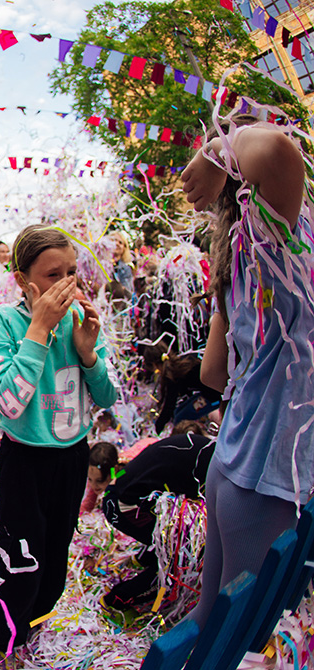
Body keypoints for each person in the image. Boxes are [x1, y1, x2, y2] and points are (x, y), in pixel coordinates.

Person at [180, 116, 314, 628]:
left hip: (231, 465)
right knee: (244, 637)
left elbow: (213, 374)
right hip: (268, 478)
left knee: (212, 621)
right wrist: (216, 151)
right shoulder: (281, 244)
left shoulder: (238, 265)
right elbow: (277, 151)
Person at [0, 224, 118, 658]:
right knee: (23, 562)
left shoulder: (79, 319)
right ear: (23, 280)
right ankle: (3, 643)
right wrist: (38, 330)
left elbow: (107, 397)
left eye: (71, 272)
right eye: (52, 275)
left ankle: (32, 634)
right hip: (25, 461)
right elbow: (9, 403)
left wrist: (89, 354)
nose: (66, 284)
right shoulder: (4, 323)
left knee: (56, 561)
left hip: (72, 457)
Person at [101, 421, 215, 609]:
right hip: (122, 505)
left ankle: (142, 559)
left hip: (120, 494)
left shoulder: (208, 449)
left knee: (175, 540)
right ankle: (116, 600)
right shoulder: (214, 464)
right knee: (179, 557)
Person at [81, 441, 120, 514]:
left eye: (100, 480)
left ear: (114, 471)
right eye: (89, 479)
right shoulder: (95, 476)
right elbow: (87, 506)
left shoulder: (124, 476)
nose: (93, 485)